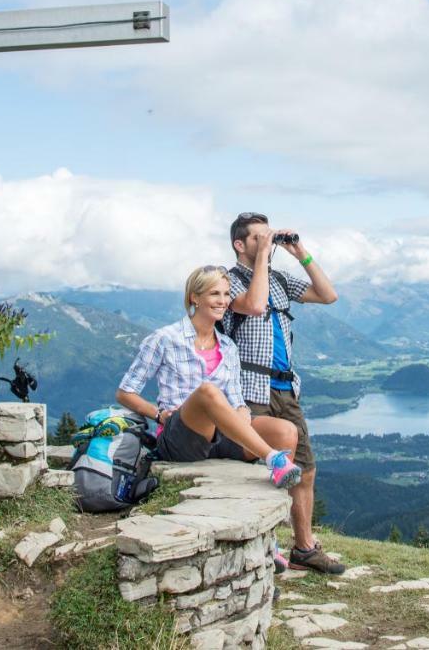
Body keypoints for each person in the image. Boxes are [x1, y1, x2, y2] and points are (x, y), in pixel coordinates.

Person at [223, 212, 343, 573]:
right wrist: (262, 257)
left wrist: (298, 251)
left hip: (285, 387)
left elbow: (328, 294)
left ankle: (304, 548)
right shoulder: (226, 281)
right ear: (239, 245)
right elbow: (255, 305)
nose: (268, 242)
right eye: (259, 237)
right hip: (249, 387)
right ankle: (264, 547)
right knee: (257, 468)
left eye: (269, 236)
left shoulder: (277, 279)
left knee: (303, 469)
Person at [116, 265, 302, 489]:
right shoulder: (165, 338)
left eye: (226, 294)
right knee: (208, 391)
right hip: (181, 438)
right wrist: (159, 415)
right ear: (195, 297)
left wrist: (242, 411)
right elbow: (125, 392)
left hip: (221, 436)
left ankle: (280, 492)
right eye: (215, 293)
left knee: (286, 430)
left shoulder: (228, 346)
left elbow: (236, 399)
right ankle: (273, 458)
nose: (223, 301)